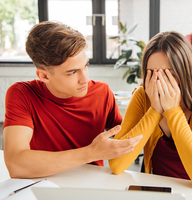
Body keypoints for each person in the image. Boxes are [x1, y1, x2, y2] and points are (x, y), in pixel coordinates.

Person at [3, 21, 143, 178]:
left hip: (90, 185)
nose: (85, 79)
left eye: (85, 66)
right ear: (44, 75)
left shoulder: (102, 92)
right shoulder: (22, 94)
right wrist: (91, 153)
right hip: (41, 184)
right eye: (72, 72)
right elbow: (16, 165)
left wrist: (143, 102)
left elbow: (126, 137)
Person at [109, 31, 192, 189]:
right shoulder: (143, 97)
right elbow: (117, 164)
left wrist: (172, 110)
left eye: (169, 74)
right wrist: (154, 111)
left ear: (186, 71)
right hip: (159, 189)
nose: (159, 83)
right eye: (152, 73)